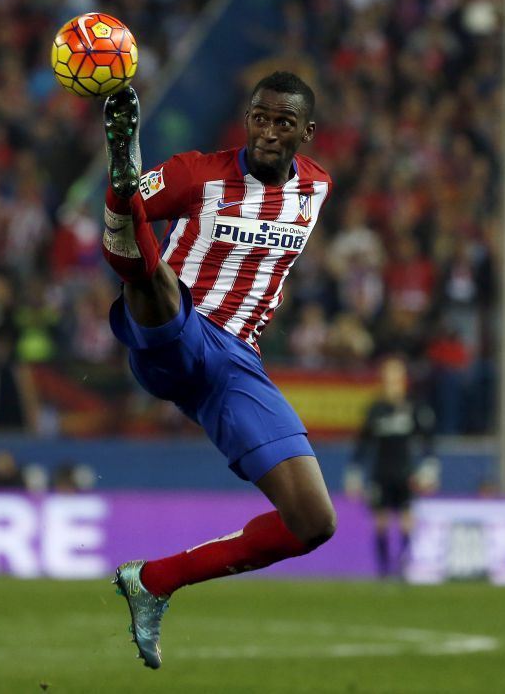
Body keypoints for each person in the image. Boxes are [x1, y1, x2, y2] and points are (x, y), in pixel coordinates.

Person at [98, 72, 336, 669]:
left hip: (237, 367)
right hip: (177, 333)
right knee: (151, 276)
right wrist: (122, 200)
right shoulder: (193, 174)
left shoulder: (317, 189)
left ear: (306, 132)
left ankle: (154, 581)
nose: (269, 132)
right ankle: (124, 178)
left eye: (284, 122)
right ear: (246, 118)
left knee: (314, 521)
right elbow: (111, 241)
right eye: (260, 117)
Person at [345, 356, 434, 578]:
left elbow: (427, 440)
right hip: (381, 472)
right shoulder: (376, 409)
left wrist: (429, 468)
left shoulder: (413, 406)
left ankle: (403, 565)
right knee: (380, 522)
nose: (391, 378)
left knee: (406, 521)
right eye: (388, 373)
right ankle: (383, 570)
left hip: (405, 472)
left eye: (396, 373)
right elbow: (363, 443)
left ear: (403, 377)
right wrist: (354, 473)